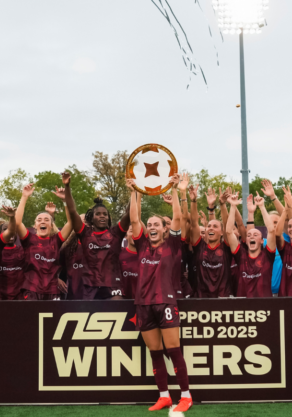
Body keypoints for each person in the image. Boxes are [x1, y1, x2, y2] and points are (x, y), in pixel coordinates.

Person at [128, 176, 192, 413]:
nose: (152, 227)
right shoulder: (142, 245)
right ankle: (164, 395)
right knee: (155, 352)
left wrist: (176, 189)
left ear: (165, 229)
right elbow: (134, 218)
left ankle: (185, 395)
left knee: (173, 350)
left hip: (166, 302)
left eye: (156, 224)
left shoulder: (173, 245)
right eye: (150, 225)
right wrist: (134, 192)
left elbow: (178, 217)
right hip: (143, 304)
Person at [63, 172, 130, 300]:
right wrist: (67, 187)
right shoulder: (85, 233)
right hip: (90, 285)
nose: (102, 216)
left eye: (105, 214)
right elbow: (72, 211)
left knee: (117, 308)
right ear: (91, 218)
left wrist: (134, 191)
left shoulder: (116, 233)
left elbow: (129, 214)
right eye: (98, 214)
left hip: (112, 285)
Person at [14, 179, 73, 300]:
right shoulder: (29, 239)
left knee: (52, 319)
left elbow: (71, 222)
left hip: (52, 291)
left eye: (46, 220)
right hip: (31, 289)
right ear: (35, 226)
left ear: (51, 225)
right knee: (30, 319)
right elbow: (17, 222)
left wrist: (64, 200)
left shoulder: (56, 240)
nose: (43, 221)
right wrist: (24, 197)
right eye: (39, 220)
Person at [225, 195, 276, 298]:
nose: (251, 236)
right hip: (244, 306)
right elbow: (229, 232)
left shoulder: (268, 255)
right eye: (249, 235)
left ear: (262, 241)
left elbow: (271, 230)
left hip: (264, 305)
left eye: (255, 235)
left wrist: (261, 206)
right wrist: (233, 207)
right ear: (246, 241)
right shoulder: (240, 255)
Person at [189, 184, 232, 298]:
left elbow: (227, 224)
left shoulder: (226, 247)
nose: (211, 228)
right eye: (209, 226)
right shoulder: (199, 246)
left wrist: (222, 204)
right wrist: (193, 201)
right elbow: (194, 224)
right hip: (201, 298)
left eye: (215, 226)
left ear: (222, 232)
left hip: (222, 299)